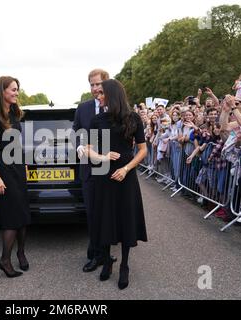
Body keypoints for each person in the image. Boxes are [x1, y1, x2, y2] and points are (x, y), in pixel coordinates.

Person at [87, 79, 148, 290]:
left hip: (125, 174)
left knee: (125, 218)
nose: (98, 95)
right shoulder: (97, 120)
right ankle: (106, 261)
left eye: (102, 92)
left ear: (113, 95)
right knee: (104, 216)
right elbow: (88, 149)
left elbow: (142, 149)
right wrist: (102, 157)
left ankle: (124, 265)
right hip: (103, 175)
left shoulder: (133, 119)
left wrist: (126, 169)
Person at [0, 76, 31, 278]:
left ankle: (21, 252)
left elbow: (18, 143)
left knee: (22, 214)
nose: (16, 93)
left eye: (17, 89)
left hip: (18, 168)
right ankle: (5, 260)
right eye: (13, 89)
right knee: (11, 217)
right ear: (2, 90)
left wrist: (25, 163)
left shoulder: (15, 113)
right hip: (4, 170)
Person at [73, 69, 115, 273]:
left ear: (106, 84)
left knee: (109, 213)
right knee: (92, 213)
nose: (95, 88)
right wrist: (79, 145)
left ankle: (106, 252)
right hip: (89, 169)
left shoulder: (115, 106)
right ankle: (96, 253)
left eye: (98, 84)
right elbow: (76, 132)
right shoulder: (83, 108)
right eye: (92, 84)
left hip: (111, 169)